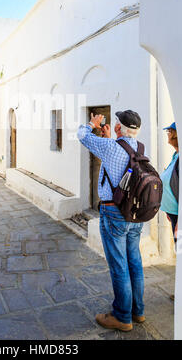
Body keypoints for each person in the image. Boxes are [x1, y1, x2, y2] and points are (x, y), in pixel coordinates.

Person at [77, 110, 145, 332]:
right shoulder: (140, 148)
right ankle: (138, 311)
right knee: (134, 261)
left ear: (118, 128)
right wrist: (108, 138)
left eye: (116, 123)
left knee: (119, 265)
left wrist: (91, 123)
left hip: (114, 213)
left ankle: (122, 316)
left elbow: (82, 135)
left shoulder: (111, 148)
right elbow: (119, 161)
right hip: (136, 214)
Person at [160, 122, 179, 245]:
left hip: (179, 216)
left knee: (180, 249)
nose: (168, 134)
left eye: (169, 131)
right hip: (173, 213)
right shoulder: (176, 155)